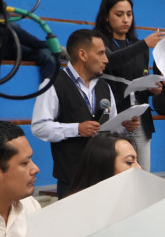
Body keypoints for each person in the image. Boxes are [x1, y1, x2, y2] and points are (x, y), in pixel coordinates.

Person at [32, 29, 140, 198]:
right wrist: (76, 129)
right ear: (82, 54)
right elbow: (39, 127)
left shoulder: (105, 86)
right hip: (72, 178)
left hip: (104, 177)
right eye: (101, 53)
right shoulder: (53, 83)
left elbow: (112, 128)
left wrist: (126, 127)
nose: (106, 59)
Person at [94, 0, 165, 172]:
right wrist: (143, 44)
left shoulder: (137, 45)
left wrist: (153, 88)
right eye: (119, 14)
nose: (126, 19)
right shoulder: (98, 40)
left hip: (139, 117)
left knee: (143, 173)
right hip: (112, 117)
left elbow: (138, 80)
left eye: (129, 14)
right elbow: (111, 62)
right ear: (106, 17)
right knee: (114, 174)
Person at [69, 133, 142, 194]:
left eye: (137, 161)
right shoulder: (76, 206)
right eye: (129, 162)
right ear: (103, 166)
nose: (139, 167)